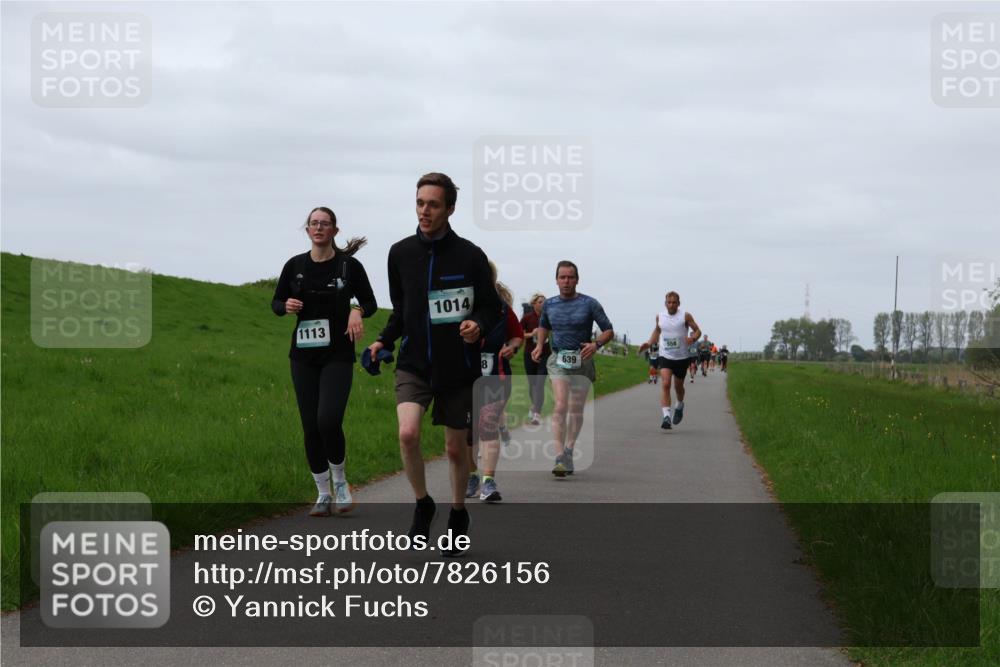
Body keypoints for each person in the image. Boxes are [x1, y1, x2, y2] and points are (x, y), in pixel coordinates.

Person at [367, 172, 500, 556]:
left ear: (450, 209)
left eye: (434, 204)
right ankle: (423, 503)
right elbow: (403, 310)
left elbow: (491, 307)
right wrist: (382, 340)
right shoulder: (400, 252)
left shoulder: (470, 255)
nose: (425, 211)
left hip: (457, 366)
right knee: (407, 434)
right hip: (413, 363)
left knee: (456, 449)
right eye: (420, 203)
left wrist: (478, 324)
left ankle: (458, 514)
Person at [271, 206, 377, 516]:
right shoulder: (294, 266)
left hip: (338, 355)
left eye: (325, 224)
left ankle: (341, 482)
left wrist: (356, 310)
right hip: (302, 356)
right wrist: (285, 304)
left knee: (328, 420)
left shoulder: (348, 267)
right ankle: (322, 492)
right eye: (314, 223)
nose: (319, 228)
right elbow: (276, 302)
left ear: (334, 230)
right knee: (310, 426)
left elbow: (369, 302)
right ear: (307, 230)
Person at [532, 261, 614, 477]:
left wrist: (596, 345)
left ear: (577, 280)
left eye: (570, 277)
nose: (566, 281)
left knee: (576, 408)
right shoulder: (549, 304)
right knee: (560, 405)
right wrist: (540, 345)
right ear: (556, 280)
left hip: (582, 359)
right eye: (562, 277)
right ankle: (559, 456)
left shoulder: (589, 303)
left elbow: (608, 330)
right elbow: (543, 326)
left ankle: (569, 450)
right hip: (558, 358)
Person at [467, 263, 524, 502]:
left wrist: (512, 347)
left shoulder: (501, 308)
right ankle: (471, 476)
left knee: (487, 424)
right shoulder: (460, 304)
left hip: (496, 374)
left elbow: (517, 335)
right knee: (467, 432)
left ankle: (488, 481)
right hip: (463, 376)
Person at [639, 292, 702, 430]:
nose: (671, 305)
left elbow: (698, 331)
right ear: (665, 303)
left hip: (682, 357)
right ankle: (666, 416)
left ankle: (679, 405)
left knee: (678, 387)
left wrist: (693, 338)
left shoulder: (685, 315)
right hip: (665, 355)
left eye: (674, 302)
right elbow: (657, 331)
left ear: (679, 303)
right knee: (666, 383)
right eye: (669, 302)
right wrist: (649, 343)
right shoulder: (660, 316)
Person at [520, 293, 550, 425]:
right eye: (540, 302)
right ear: (534, 304)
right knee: (532, 384)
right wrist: (531, 333)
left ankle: (537, 413)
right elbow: (519, 335)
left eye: (544, 301)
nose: (543, 304)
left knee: (539, 384)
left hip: (545, 353)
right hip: (529, 353)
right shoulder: (527, 318)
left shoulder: (549, 317)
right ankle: (534, 405)